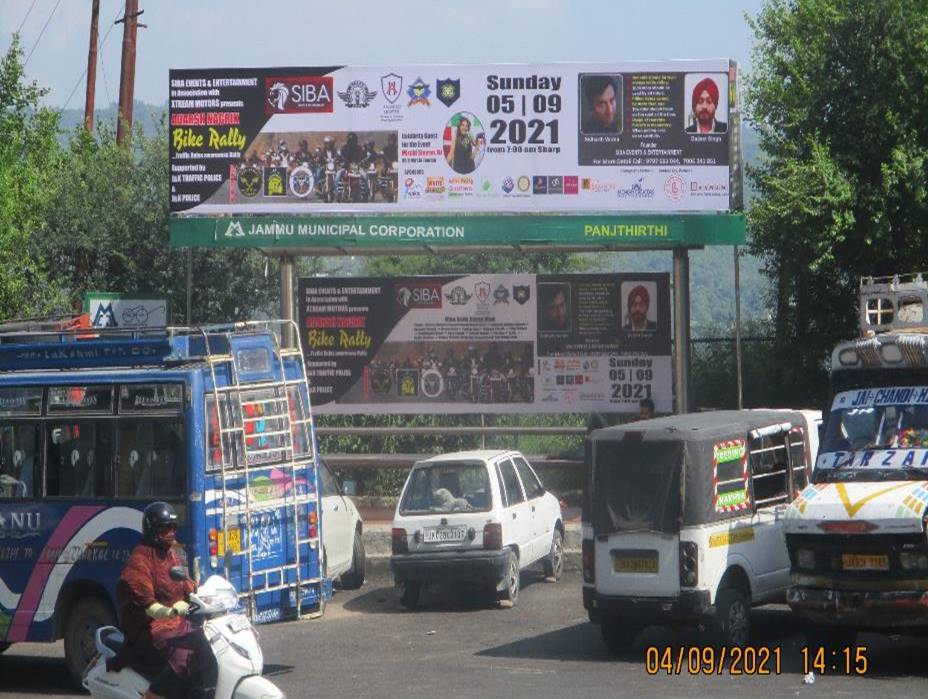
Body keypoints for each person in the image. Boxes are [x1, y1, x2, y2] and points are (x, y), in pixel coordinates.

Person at [116, 502, 215, 699]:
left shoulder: (170, 554)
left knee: (208, 651)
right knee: (183, 656)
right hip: (149, 630)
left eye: (173, 528)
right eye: (165, 529)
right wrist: (170, 611)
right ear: (153, 530)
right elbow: (148, 606)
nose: (171, 533)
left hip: (176, 625)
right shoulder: (140, 559)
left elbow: (186, 584)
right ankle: (153, 695)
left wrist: (204, 595)